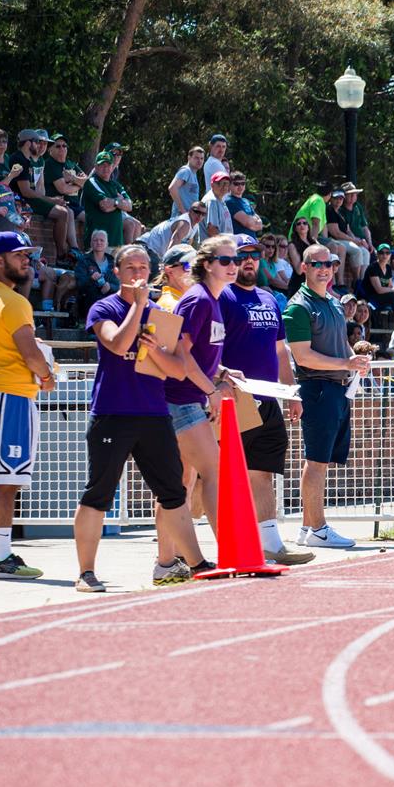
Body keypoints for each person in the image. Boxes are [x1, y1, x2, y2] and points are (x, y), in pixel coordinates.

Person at [75, 244, 207, 592]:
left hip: (154, 414)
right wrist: (136, 310)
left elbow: (178, 370)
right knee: (98, 494)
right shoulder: (104, 307)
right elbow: (117, 345)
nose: (137, 274)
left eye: (143, 267)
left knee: (174, 492)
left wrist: (154, 349)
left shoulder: (162, 313)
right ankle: (86, 573)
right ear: (116, 272)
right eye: (130, 267)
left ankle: (197, 564)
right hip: (112, 413)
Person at [218, 237, 314, 565]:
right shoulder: (222, 297)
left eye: (253, 255)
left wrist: (292, 392)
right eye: (239, 256)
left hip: (269, 398)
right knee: (219, 475)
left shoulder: (270, 298)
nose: (247, 261)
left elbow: (281, 352)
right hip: (235, 400)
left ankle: (271, 544)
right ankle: (184, 549)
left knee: (262, 471)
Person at [0, 231, 56, 579]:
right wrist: (47, 376)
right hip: (8, 398)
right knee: (5, 483)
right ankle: (0, 559)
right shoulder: (15, 301)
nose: (26, 260)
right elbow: (30, 354)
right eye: (19, 255)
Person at [284, 243, 371, 548]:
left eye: (329, 263)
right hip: (317, 389)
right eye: (316, 264)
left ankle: (310, 529)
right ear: (304, 268)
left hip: (336, 389)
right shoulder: (298, 307)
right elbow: (303, 357)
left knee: (321, 460)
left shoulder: (333, 303)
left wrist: (355, 360)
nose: (324, 269)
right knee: (316, 460)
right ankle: (318, 529)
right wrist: (346, 363)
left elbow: (342, 344)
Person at [163, 235, 240, 571]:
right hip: (182, 399)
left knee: (180, 482)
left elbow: (197, 352)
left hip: (187, 397)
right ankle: (232, 551)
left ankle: (167, 561)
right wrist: (211, 390)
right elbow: (180, 353)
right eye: (225, 260)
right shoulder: (199, 300)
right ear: (207, 264)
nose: (233, 266)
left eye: (235, 260)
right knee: (213, 471)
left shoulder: (213, 299)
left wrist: (221, 369)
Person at [9, 130, 74, 261]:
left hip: (31, 199)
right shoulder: (19, 159)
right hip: (21, 201)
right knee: (62, 213)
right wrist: (51, 200)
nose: (40, 145)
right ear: (28, 143)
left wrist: (51, 201)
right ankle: (61, 255)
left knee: (66, 211)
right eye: (37, 142)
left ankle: (69, 252)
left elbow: (39, 187)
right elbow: (26, 191)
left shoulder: (32, 160)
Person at [81, 151, 134, 260]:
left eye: (108, 165)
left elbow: (129, 206)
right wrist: (118, 201)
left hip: (116, 244)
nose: (106, 168)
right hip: (97, 244)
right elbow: (104, 206)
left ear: (113, 166)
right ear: (96, 166)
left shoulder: (116, 185)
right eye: (102, 165)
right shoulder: (91, 182)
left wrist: (114, 203)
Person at [73, 229, 118, 315]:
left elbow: (118, 284)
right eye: (95, 240)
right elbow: (80, 284)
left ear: (107, 244)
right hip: (89, 301)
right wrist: (91, 279)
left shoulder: (113, 262)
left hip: (110, 299)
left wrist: (110, 287)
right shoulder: (83, 261)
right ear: (91, 243)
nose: (99, 242)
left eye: (102, 240)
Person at [360, 243, 394, 317]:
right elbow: (379, 290)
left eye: (387, 253)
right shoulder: (373, 268)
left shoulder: (388, 268)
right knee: (393, 296)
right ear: (377, 254)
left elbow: (390, 286)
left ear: (390, 255)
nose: (385, 255)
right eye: (382, 253)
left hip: (382, 296)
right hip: (371, 297)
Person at [153, 245, 195, 311]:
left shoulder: (183, 301)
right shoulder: (170, 305)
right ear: (169, 271)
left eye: (195, 264)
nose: (194, 271)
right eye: (188, 266)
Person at [169, 146, 207, 217]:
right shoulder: (186, 171)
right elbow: (172, 188)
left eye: (202, 158)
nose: (199, 161)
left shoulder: (193, 173)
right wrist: (183, 211)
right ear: (189, 158)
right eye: (196, 158)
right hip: (181, 217)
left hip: (188, 218)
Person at [225, 172, 263, 239]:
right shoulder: (229, 201)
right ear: (229, 185)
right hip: (239, 245)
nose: (240, 186)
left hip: (252, 243)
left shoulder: (246, 201)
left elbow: (260, 225)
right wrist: (254, 220)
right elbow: (248, 223)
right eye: (236, 184)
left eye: (243, 183)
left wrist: (253, 221)